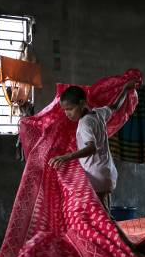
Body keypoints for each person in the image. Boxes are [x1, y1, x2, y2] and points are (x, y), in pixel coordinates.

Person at [48, 79, 139, 212]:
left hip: (96, 176)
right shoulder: (98, 113)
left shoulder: (85, 123)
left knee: (101, 218)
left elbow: (91, 148)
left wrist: (66, 157)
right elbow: (115, 106)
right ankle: (116, 232)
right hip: (106, 172)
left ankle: (119, 234)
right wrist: (125, 89)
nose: (67, 114)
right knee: (104, 215)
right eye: (65, 110)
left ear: (82, 103)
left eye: (70, 109)